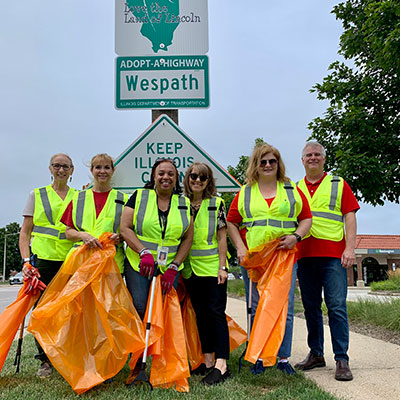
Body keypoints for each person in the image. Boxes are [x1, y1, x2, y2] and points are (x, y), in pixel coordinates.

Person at [227, 143, 312, 374]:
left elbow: (306, 219)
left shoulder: (291, 189)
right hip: (255, 259)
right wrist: (240, 248)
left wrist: (296, 236)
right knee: (256, 307)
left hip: (284, 257)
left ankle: (283, 358)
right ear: (256, 164)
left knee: (284, 306)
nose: (267, 165)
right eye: (262, 161)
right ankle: (259, 357)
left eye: (272, 161)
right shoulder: (245, 192)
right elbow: (232, 222)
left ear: (278, 164)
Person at [120, 158, 193, 381]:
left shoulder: (184, 203)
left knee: (163, 315)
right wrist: (143, 252)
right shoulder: (140, 197)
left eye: (171, 174)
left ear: (176, 178)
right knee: (141, 308)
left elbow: (188, 238)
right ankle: (137, 363)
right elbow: (124, 228)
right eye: (161, 173)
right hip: (139, 264)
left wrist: (174, 265)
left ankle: (160, 360)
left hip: (168, 267)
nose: (166, 177)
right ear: (153, 176)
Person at [294, 141, 359, 381]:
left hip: (333, 256)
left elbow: (349, 216)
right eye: (308, 155)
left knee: (336, 307)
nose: (312, 158)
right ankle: (316, 354)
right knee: (311, 308)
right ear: (302, 160)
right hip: (304, 256)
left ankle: (342, 358)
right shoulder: (295, 188)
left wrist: (350, 249)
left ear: (323, 159)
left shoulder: (338, 184)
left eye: (317, 155)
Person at [19, 153, 76, 378]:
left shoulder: (79, 195)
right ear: (50, 168)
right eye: (57, 165)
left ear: (72, 171)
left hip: (71, 261)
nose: (61, 170)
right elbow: (25, 231)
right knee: (42, 311)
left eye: (65, 166)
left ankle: (66, 354)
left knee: (70, 311)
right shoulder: (37, 194)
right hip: (43, 261)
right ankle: (45, 360)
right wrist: (26, 261)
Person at [182, 162, 231, 385]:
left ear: (209, 181)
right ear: (187, 179)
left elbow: (222, 236)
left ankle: (222, 365)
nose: (198, 181)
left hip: (213, 268)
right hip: (190, 269)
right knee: (200, 315)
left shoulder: (217, 203)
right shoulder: (180, 203)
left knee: (216, 314)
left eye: (203, 177)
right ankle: (208, 361)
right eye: (194, 176)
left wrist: (223, 266)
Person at [61, 153, 128, 273]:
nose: (102, 171)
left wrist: (121, 237)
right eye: (98, 167)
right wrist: (83, 236)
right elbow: (68, 232)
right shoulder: (78, 198)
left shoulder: (123, 199)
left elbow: (130, 231)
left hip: (111, 264)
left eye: (107, 167)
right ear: (92, 170)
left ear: (113, 170)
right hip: (82, 264)